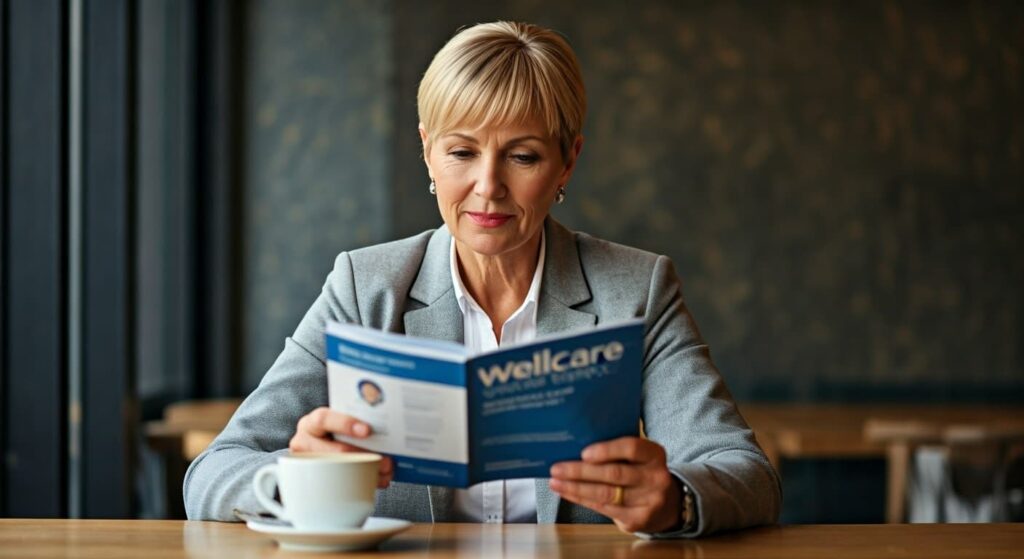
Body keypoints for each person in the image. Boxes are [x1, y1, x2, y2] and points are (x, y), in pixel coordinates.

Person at [184, 21, 780, 537]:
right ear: (427, 151)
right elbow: (212, 472)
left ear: (567, 161)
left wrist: (673, 500)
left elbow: (744, 472)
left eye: (522, 157)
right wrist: (293, 478)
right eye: (462, 153)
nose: (488, 187)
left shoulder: (638, 288)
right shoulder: (364, 287)